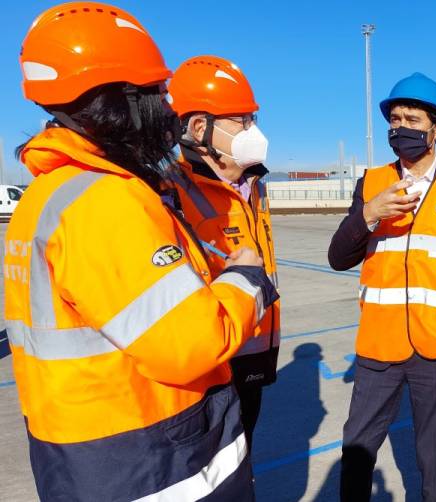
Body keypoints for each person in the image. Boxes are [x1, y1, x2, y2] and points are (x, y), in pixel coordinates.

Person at [4, 3, 276, 500]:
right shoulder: (105, 201)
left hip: (85, 448)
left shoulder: (52, 194)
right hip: (147, 456)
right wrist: (246, 279)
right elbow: (190, 343)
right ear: (121, 100)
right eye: (155, 93)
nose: (164, 108)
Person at [328, 72, 436, 501]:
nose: (400, 127)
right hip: (378, 346)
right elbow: (338, 258)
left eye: (412, 119)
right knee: (357, 450)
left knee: (435, 460)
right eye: (395, 119)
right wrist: (368, 214)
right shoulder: (372, 182)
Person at [169, 55, 279, 451]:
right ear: (200, 127)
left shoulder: (253, 183)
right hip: (209, 369)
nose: (254, 131)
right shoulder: (169, 191)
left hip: (255, 353)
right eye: (243, 121)